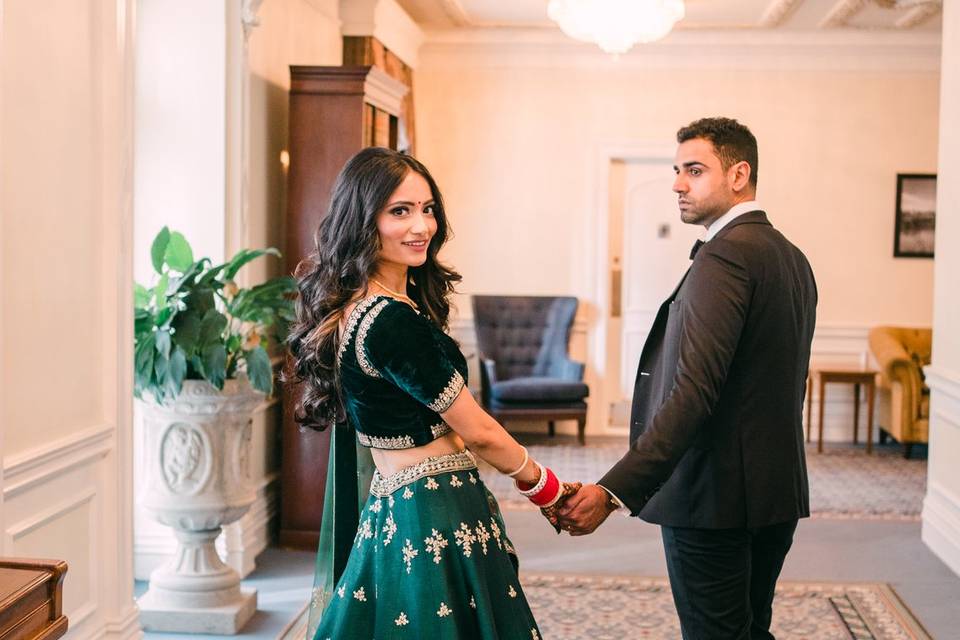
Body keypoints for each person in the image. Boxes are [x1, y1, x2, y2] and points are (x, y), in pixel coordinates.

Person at [287, 147, 573, 639]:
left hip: (400, 505)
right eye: (400, 211)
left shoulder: (364, 310)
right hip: (433, 513)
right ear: (363, 221)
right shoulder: (391, 323)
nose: (422, 226)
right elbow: (479, 432)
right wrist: (545, 486)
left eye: (428, 209)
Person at [556, 117, 818, 640]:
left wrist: (613, 491)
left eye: (694, 170)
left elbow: (693, 394)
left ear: (739, 174)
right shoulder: (792, 258)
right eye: (678, 170)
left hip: (713, 499)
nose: (677, 183)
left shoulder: (725, 256)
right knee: (750, 630)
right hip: (773, 493)